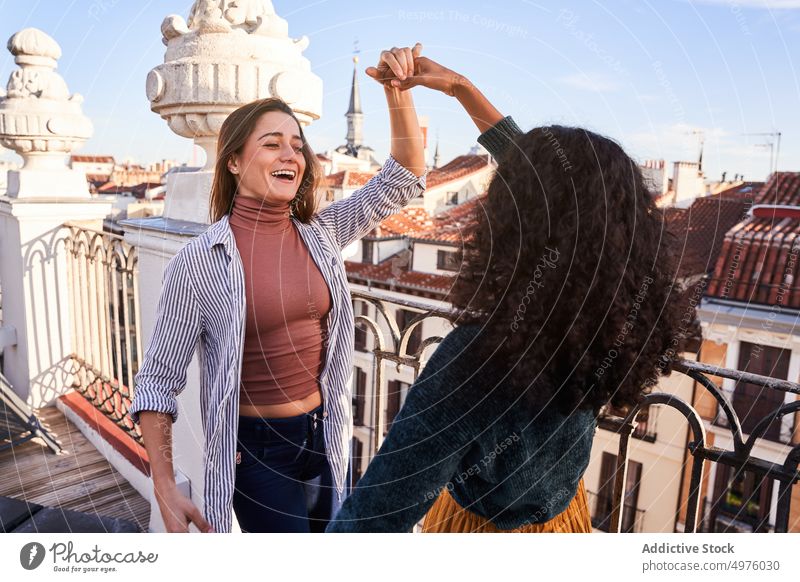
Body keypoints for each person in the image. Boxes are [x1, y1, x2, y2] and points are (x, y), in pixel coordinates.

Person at [326, 56, 686, 532]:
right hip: (564, 521)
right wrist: (459, 87)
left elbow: (372, 519)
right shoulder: (602, 325)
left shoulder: (479, 355)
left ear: (514, 223)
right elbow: (566, 196)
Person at [128, 44, 427, 533]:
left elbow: (404, 175)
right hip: (257, 452)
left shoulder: (323, 234)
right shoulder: (200, 262)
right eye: (271, 143)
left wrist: (398, 93)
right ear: (232, 163)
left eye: (296, 143)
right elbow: (158, 383)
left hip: (327, 432)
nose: (291, 153)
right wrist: (164, 486)